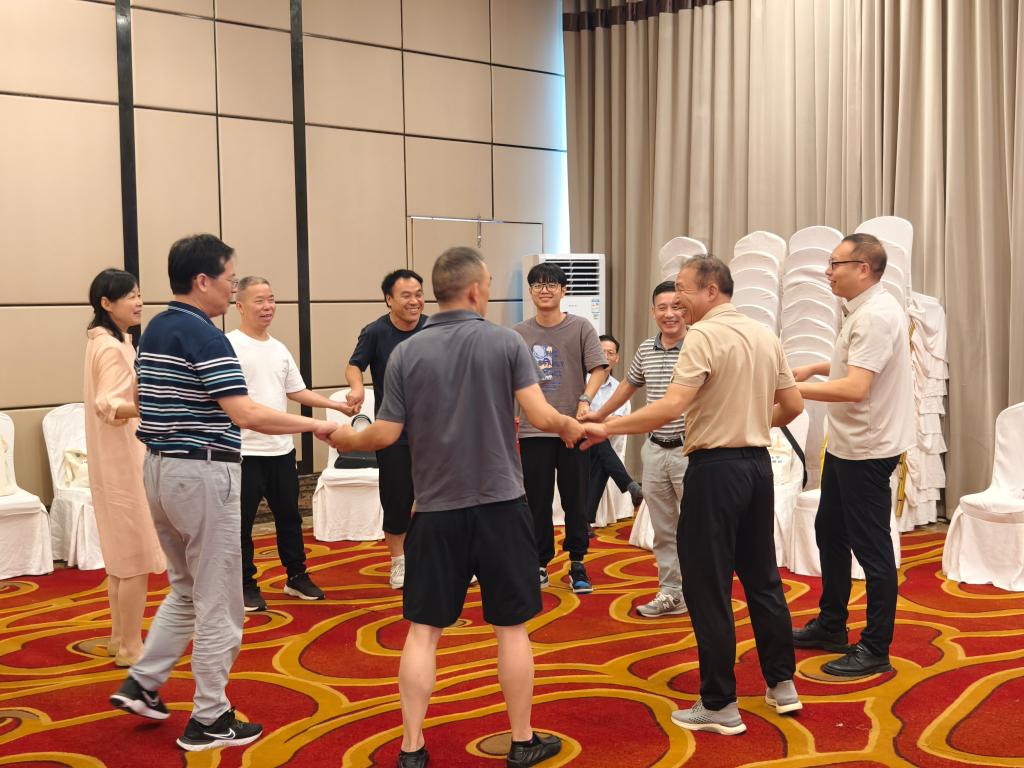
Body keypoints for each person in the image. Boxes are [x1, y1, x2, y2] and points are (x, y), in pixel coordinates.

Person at [329, 247, 580, 768]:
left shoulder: (407, 353)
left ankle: (411, 748)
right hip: (501, 505)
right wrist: (574, 426)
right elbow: (540, 415)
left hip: (435, 509)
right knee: (511, 628)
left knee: (423, 631)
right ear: (474, 290)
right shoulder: (506, 342)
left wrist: (347, 439)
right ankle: (522, 741)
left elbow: (386, 434)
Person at [108, 234, 337, 752]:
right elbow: (246, 413)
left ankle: (143, 684)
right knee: (220, 601)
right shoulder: (207, 337)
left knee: (186, 588)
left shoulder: (156, 327)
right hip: (201, 475)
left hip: (160, 471)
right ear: (202, 281)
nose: (234, 290)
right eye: (231, 280)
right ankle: (209, 718)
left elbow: (145, 399)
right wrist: (317, 426)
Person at [582, 255, 805, 735]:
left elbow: (671, 406)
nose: (677, 299)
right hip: (757, 468)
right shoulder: (764, 334)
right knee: (764, 580)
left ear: (710, 290)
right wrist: (749, 420)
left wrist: (607, 427)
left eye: (683, 289)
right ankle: (782, 683)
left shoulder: (702, 335)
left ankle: (720, 703)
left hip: (714, 471)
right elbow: (792, 405)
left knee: (708, 587)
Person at [790, 233, 915, 677]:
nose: (827, 271)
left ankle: (876, 647)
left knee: (873, 550)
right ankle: (831, 624)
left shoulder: (876, 314)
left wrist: (789, 388)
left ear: (863, 268)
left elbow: (857, 387)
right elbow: (856, 363)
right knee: (829, 532)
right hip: (847, 445)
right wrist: (816, 367)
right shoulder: (862, 308)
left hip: (868, 447)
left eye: (835, 263)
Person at [228, 276, 349, 612]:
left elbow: (296, 391)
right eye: (259, 301)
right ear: (239, 306)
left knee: (290, 518)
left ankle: (296, 576)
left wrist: (334, 405)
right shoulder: (229, 345)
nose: (268, 307)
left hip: (281, 450)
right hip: (243, 452)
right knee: (241, 524)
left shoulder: (278, 348)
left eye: (271, 299)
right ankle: (245, 584)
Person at [583, 282, 689, 617]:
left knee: (696, 528)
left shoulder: (698, 346)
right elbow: (628, 386)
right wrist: (598, 414)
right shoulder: (646, 349)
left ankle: (702, 593)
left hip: (691, 450)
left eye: (677, 306)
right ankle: (672, 593)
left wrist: (606, 425)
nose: (670, 314)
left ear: (687, 309)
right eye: (662, 307)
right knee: (664, 529)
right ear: (653, 311)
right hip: (655, 449)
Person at [82, 269, 166, 669]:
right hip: (124, 463)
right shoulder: (112, 348)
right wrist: (154, 406)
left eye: (139, 294)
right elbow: (109, 404)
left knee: (120, 560)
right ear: (106, 303)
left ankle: (120, 638)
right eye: (130, 296)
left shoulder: (107, 342)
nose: (139, 302)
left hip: (113, 461)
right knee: (134, 558)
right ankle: (132, 646)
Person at [514, 262, 607, 594]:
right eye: (538, 285)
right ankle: (539, 562)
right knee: (536, 502)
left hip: (573, 428)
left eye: (552, 284)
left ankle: (577, 562)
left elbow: (599, 368)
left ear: (564, 290)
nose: (545, 290)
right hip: (533, 430)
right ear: (530, 291)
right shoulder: (517, 333)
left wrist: (585, 399)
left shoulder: (580, 327)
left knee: (575, 500)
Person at [344, 270, 427, 590]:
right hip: (393, 432)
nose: (414, 301)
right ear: (389, 300)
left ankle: (442, 556)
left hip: (435, 431)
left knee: (441, 497)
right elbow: (355, 365)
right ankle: (399, 561)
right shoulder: (376, 332)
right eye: (406, 295)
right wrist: (357, 387)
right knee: (396, 498)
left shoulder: (433, 328)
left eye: (418, 294)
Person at [583, 334, 644, 531]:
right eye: (601, 352)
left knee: (601, 450)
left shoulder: (619, 389)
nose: (606, 357)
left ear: (616, 358)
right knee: (601, 447)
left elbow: (618, 420)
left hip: (601, 441)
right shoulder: (580, 381)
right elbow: (577, 416)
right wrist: (598, 422)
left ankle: (585, 521)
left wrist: (594, 422)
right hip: (576, 440)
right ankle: (629, 485)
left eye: (610, 353)